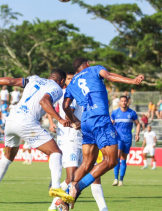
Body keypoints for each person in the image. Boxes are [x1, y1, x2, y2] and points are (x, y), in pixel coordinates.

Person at [0, 66, 74, 206]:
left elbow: (10, 81)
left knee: (8, 156)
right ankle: (56, 186)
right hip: (26, 122)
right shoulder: (56, 88)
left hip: (11, 120)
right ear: (62, 81)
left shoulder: (34, 79)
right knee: (56, 152)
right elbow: (44, 101)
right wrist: (61, 119)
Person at [62, 58, 144, 203]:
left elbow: (65, 105)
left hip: (86, 122)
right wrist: (132, 81)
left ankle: (66, 196)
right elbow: (109, 76)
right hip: (100, 119)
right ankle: (78, 186)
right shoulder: (94, 69)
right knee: (111, 160)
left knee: (87, 163)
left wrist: (74, 120)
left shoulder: (72, 82)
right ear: (87, 64)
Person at [48, 71, 108, 211]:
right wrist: (55, 121)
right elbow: (69, 113)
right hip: (71, 139)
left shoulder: (83, 93)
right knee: (72, 178)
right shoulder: (69, 94)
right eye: (68, 79)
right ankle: (54, 204)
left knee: (95, 175)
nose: (71, 81)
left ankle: (104, 209)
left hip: (84, 138)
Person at [111, 96, 140, 186]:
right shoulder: (115, 113)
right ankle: (115, 178)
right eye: (122, 101)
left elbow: (138, 124)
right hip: (118, 138)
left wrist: (137, 134)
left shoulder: (132, 113)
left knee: (123, 159)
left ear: (127, 102)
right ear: (119, 102)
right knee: (117, 157)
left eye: (125, 101)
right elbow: (111, 124)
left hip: (127, 138)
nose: (123, 102)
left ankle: (121, 180)